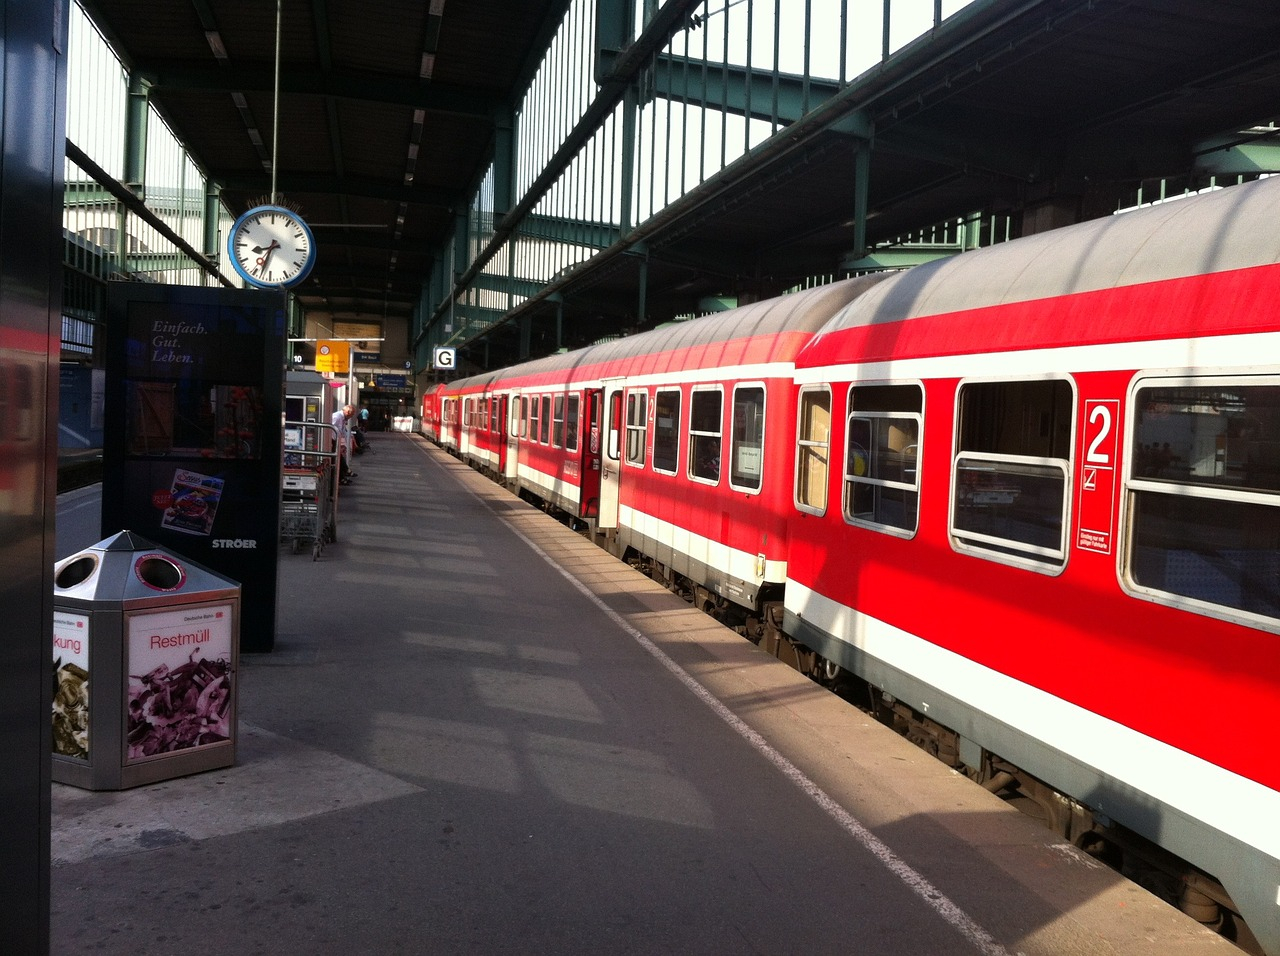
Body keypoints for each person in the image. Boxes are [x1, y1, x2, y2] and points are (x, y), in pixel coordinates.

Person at [331, 403, 356, 484]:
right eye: (351, 415)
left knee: (339, 459)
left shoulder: (343, 418)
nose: (350, 417)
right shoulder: (337, 416)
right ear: (347, 412)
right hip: (332, 440)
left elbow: (343, 431)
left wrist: (345, 444)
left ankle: (343, 475)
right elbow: (331, 428)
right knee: (338, 459)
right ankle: (345, 473)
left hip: (335, 440)